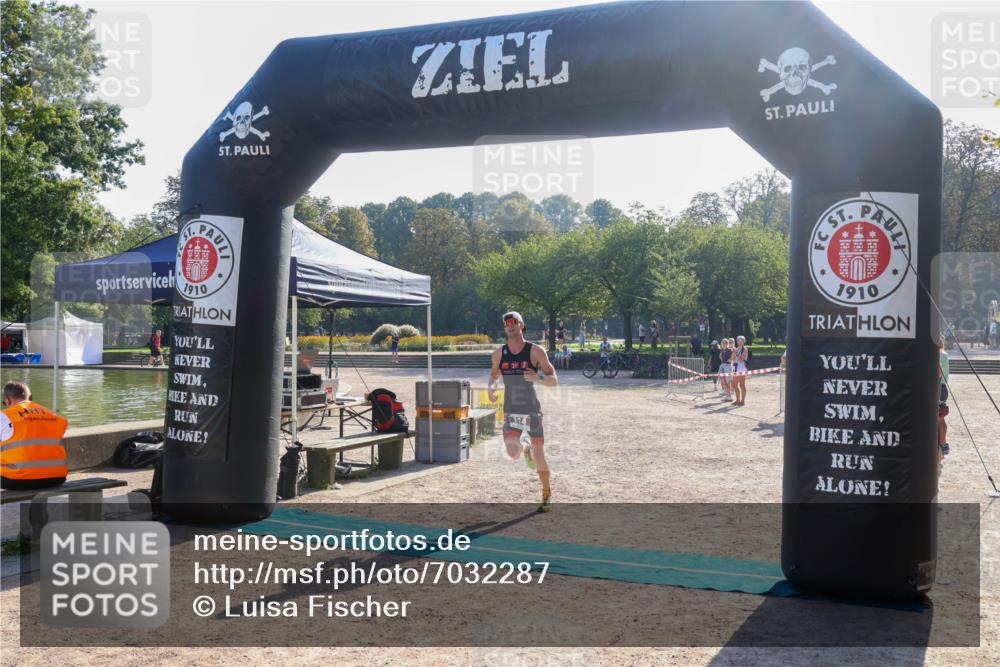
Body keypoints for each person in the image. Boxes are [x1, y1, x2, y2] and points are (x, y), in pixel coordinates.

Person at [489, 311, 558, 513]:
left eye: (514, 322)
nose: (510, 325)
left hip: (532, 411)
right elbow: (493, 375)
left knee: (539, 455)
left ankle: (546, 494)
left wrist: (538, 378)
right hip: (511, 409)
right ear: (505, 328)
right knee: (512, 453)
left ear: (522, 325)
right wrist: (492, 388)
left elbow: (554, 380)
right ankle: (524, 449)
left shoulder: (535, 352)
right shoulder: (499, 354)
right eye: (506, 323)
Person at [1, 381, 69, 490]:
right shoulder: (52, 415)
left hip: (16, 479)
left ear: (8, 400)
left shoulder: (5, 416)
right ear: (30, 397)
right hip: (57, 477)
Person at [938, 335, 950, 470]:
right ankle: (943, 443)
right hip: (943, 387)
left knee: (937, 418)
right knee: (940, 418)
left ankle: (941, 444)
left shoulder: (938, 355)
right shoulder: (945, 355)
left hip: (937, 387)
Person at [732, 335, 749, 406]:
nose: (739, 341)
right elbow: (733, 359)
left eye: (741, 340)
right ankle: (738, 400)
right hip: (735, 368)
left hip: (742, 368)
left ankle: (742, 401)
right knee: (735, 385)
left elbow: (741, 360)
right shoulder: (736, 349)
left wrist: (736, 353)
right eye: (738, 340)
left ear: (743, 342)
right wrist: (733, 353)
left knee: (742, 385)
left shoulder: (745, 349)